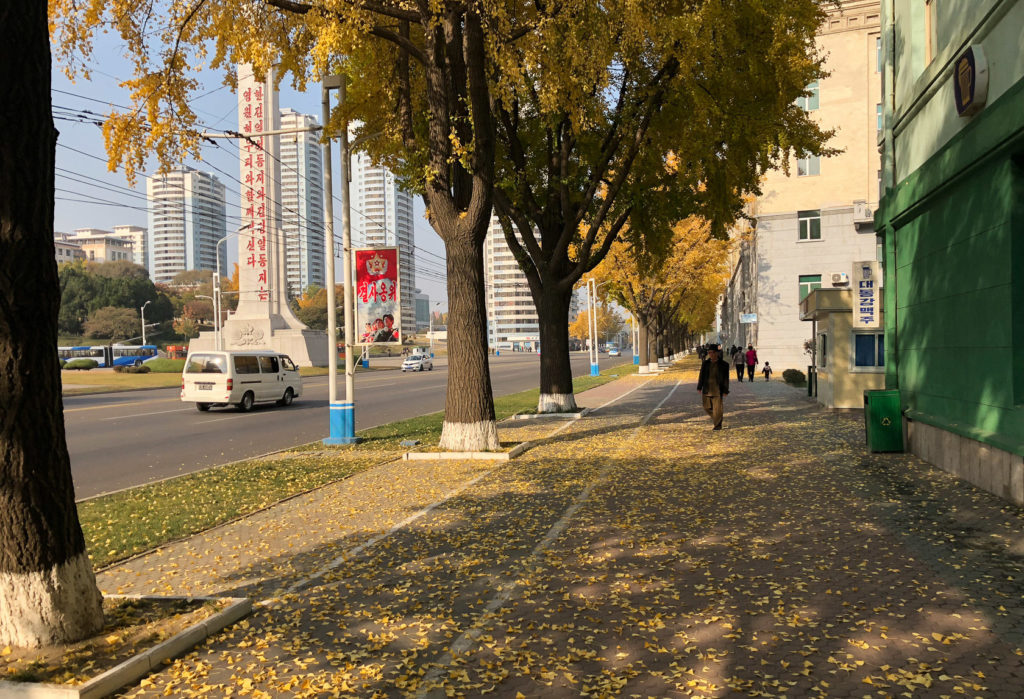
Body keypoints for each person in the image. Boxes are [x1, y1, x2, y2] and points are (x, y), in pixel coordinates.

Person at [697, 343, 730, 430]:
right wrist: (699, 386)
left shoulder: (724, 365)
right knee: (706, 407)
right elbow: (702, 375)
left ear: (716, 353)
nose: (710, 354)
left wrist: (726, 390)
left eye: (712, 352)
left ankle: (717, 425)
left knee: (718, 409)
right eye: (709, 352)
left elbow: (726, 378)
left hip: (718, 390)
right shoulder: (705, 363)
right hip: (707, 388)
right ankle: (717, 418)